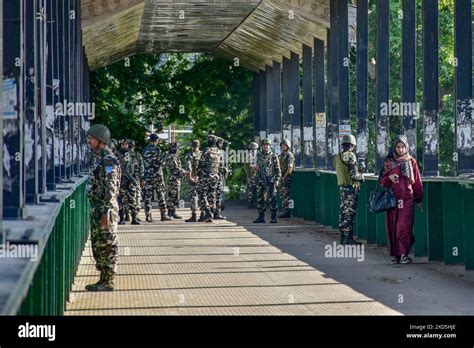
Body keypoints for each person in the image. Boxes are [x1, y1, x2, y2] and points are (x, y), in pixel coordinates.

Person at [85, 124, 120, 291]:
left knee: (107, 243)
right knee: (99, 244)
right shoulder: (100, 157)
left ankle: (108, 281)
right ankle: (103, 279)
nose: (89, 141)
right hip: (98, 208)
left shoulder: (108, 159)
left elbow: (111, 187)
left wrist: (106, 212)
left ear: (100, 140)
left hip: (105, 209)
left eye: (92, 138)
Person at [379, 135, 423, 264]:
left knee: (404, 226)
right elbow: (382, 181)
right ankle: (396, 255)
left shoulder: (411, 161)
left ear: (406, 147)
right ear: (395, 147)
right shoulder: (389, 162)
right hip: (392, 199)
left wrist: (419, 199)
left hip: (407, 198)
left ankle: (404, 253)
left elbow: (417, 182)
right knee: (392, 226)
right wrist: (389, 178)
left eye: (402, 147)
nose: (400, 149)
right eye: (398, 147)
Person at [334, 134, 364, 245]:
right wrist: (361, 177)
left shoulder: (337, 156)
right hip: (350, 188)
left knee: (343, 211)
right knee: (349, 213)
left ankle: (343, 237)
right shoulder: (351, 156)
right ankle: (348, 238)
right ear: (352, 145)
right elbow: (353, 175)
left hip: (342, 188)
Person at [143, 133, 171, 222]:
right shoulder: (157, 150)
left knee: (148, 195)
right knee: (161, 194)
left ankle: (148, 215)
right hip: (157, 175)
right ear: (156, 140)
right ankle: (163, 215)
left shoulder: (145, 149)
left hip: (148, 175)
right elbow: (161, 162)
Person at [253, 138, 281, 224]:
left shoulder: (273, 156)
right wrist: (256, 169)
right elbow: (254, 168)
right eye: (264, 145)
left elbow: (278, 170)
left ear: (269, 146)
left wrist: (276, 181)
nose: (266, 146)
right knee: (260, 199)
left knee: (272, 199)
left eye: (267, 145)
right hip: (261, 180)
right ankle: (261, 217)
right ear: (262, 146)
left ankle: (273, 217)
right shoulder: (258, 155)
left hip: (271, 180)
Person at [197, 134, 222, 222]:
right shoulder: (218, 151)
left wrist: (198, 173)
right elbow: (221, 165)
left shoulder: (206, 150)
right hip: (215, 176)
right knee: (211, 195)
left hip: (205, 175)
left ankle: (207, 212)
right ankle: (210, 213)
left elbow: (201, 163)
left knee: (201, 193)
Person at [166, 142, 187, 219]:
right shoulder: (171, 157)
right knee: (172, 196)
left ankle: (173, 211)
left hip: (176, 178)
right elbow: (175, 168)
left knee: (175, 196)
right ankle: (170, 213)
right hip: (173, 179)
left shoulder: (174, 156)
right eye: (176, 148)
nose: (178, 150)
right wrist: (183, 172)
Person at [184, 140, 202, 222]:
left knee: (194, 196)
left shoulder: (189, 155)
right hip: (202, 178)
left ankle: (194, 215)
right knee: (202, 196)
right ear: (199, 145)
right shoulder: (202, 154)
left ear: (192, 146)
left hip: (193, 177)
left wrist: (190, 177)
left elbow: (188, 167)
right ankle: (203, 214)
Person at [278, 139, 295, 218]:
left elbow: (289, 168)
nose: (282, 146)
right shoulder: (281, 155)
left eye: (284, 145)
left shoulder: (289, 155)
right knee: (283, 194)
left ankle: (287, 212)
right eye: (282, 145)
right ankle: (285, 211)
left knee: (286, 195)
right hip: (282, 177)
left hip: (286, 177)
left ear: (288, 146)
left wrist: (284, 177)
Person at [128, 139, 145, 221]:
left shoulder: (124, 154)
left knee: (128, 197)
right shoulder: (137, 155)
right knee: (136, 197)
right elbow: (141, 167)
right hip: (135, 179)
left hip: (129, 179)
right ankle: (135, 215)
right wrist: (142, 178)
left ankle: (128, 214)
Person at [214, 137, 229, 219]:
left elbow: (226, 164)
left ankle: (220, 206)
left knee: (221, 191)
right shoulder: (214, 152)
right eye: (220, 143)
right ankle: (215, 210)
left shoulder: (223, 152)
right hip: (215, 175)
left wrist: (226, 173)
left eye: (222, 143)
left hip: (221, 175)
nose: (221, 145)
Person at [244, 142, 259, 208]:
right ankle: (250, 203)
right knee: (251, 189)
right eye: (255, 149)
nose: (256, 150)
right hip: (251, 174)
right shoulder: (249, 155)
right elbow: (251, 166)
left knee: (252, 189)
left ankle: (252, 202)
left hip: (252, 174)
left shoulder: (250, 155)